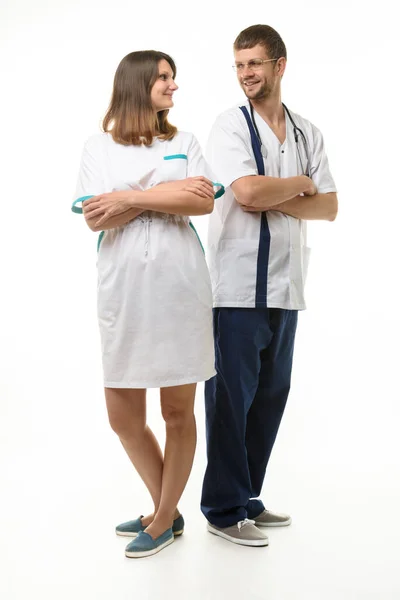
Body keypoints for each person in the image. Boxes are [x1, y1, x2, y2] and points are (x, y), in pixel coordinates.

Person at [72, 50, 223, 558]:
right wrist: (168, 190)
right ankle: (170, 510)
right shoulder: (100, 147)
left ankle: (161, 519)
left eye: (173, 77)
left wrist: (131, 197)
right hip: (124, 290)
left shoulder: (185, 141)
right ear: (137, 83)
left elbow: (203, 200)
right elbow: (96, 217)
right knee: (123, 415)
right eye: (163, 77)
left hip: (180, 285)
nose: (173, 86)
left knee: (177, 410)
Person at [201, 24, 338, 547]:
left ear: (280, 65)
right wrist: (301, 185)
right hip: (236, 290)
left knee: (270, 398)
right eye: (239, 66)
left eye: (254, 64)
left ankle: (246, 497)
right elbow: (247, 191)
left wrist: (284, 193)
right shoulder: (229, 126)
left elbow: (329, 207)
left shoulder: (306, 133)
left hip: (287, 288)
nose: (246, 75)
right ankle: (222, 508)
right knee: (230, 401)